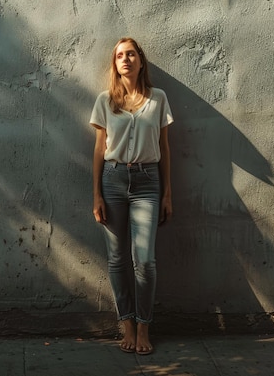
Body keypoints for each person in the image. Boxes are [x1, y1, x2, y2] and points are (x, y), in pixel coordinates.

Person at [90, 37, 173, 355]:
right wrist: (96, 193)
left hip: (147, 182)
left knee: (145, 261)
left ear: (141, 61)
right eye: (119, 55)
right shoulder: (105, 101)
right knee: (117, 258)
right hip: (112, 180)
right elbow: (99, 148)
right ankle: (126, 323)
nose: (125, 59)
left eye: (131, 54)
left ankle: (143, 326)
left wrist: (167, 193)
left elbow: (165, 148)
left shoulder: (159, 99)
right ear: (115, 64)